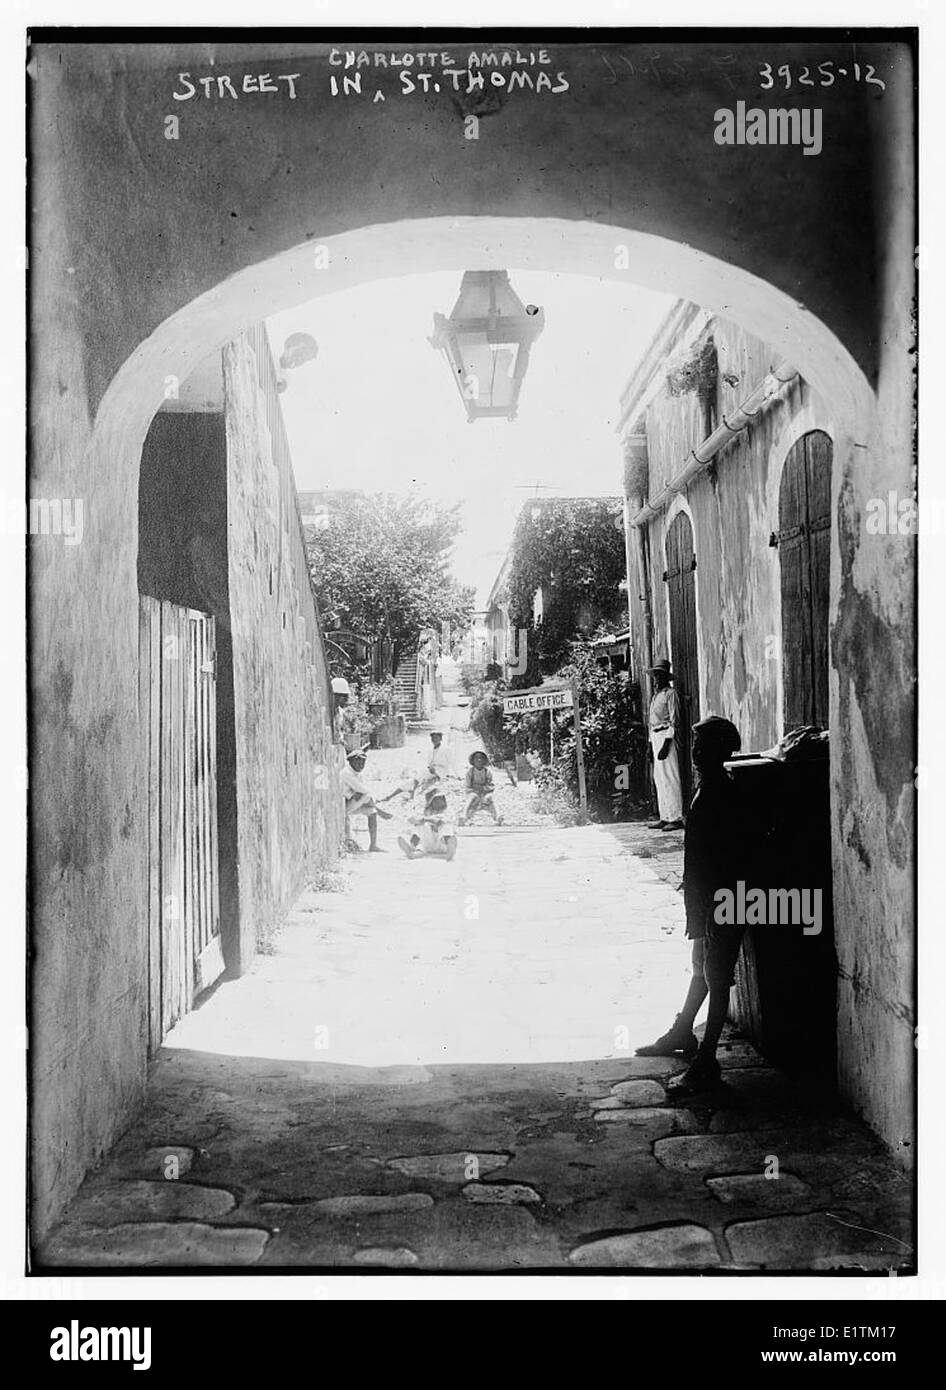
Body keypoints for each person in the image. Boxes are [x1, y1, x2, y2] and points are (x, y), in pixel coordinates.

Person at [636, 714, 753, 1096]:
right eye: (696, 745)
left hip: (726, 898)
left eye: (705, 746)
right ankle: (684, 1029)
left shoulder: (724, 792)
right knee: (700, 967)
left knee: (717, 977)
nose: (696, 753)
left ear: (722, 750)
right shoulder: (709, 787)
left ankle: (706, 1061)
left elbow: (728, 856)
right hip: (707, 899)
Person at [647, 657, 684, 831]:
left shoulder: (671, 694)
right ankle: (665, 815)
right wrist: (650, 745)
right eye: (655, 676)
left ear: (665, 677)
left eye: (659, 676)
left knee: (670, 777)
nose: (656, 679)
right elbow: (651, 722)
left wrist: (666, 744)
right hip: (655, 737)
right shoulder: (656, 696)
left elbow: (675, 721)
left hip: (665, 737)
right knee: (659, 778)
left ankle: (675, 817)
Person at [340, 748, 393, 852]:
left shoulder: (356, 773)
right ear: (352, 762)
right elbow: (364, 792)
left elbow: (359, 791)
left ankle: (373, 845)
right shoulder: (347, 773)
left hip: (351, 803)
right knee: (366, 795)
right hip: (343, 807)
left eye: (363, 763)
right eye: (359, 763)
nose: (361, 766)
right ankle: (380, 811)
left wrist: (355, 794)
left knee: (371, 812)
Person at [398, 788, 458, 861]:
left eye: (441, 798)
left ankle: (450, 850)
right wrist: (419, 821)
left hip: (442, 845)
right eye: (438, 799)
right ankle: (411, 848)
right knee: (419, 826)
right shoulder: (427, 811)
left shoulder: (447, 811)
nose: (440, 800)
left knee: (445, 827)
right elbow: (410, 819)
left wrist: (426, 820)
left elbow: (440, 822)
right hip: (429, 845)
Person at [459, 750, 502, 825]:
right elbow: (467, 787)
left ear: (484, 761)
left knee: (492, 798)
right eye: (476, 758)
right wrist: (474, 790)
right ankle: (463, 815)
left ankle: (498, 815)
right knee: (470, 798)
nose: (479, 760)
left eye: (481, 758)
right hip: (474, 793)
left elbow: (491, 786)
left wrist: (483, 789)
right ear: (473, 761)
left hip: (485, 794)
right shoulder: (470, 772)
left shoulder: (487, 772)